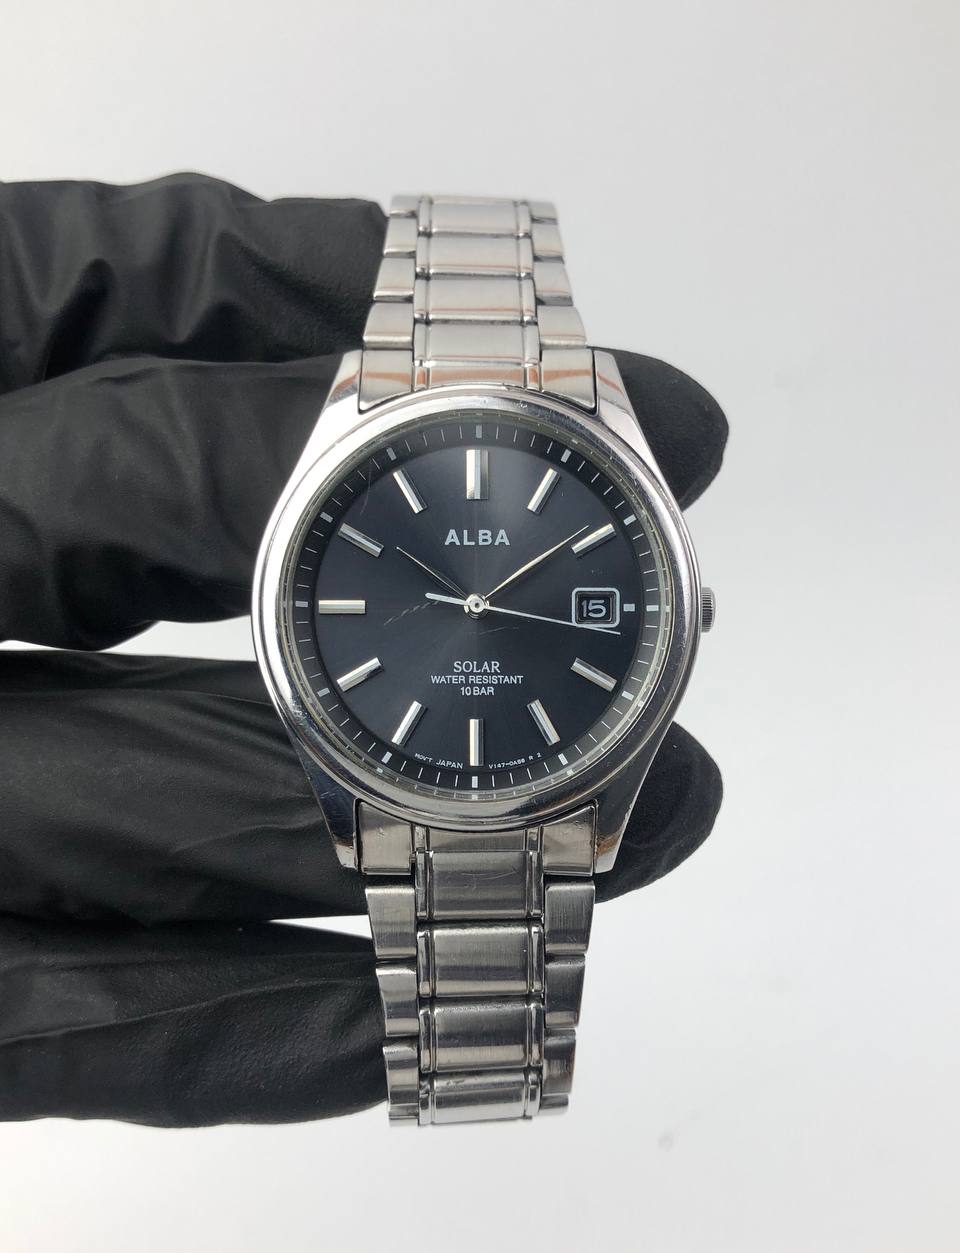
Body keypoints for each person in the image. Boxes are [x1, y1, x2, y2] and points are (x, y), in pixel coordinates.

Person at [0, 174, 726, 1125]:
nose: (475, 603)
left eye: (486, 598)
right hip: (405, 745)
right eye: (462, 597)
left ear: (686, 609)